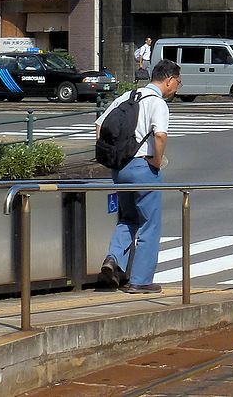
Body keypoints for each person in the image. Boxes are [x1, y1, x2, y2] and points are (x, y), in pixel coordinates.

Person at [97, 59, 181, 294]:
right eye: (178, 83)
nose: (177, 88)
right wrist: (155, 161)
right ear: (169, 80)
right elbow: (160, 135)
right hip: (144, 168)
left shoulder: (126, 97)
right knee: (149, 224)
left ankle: (113, 259)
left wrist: (114, 158)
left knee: (128, 218)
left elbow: (99, 126)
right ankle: (141, 280)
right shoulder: (158, 103)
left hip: (120, 169)